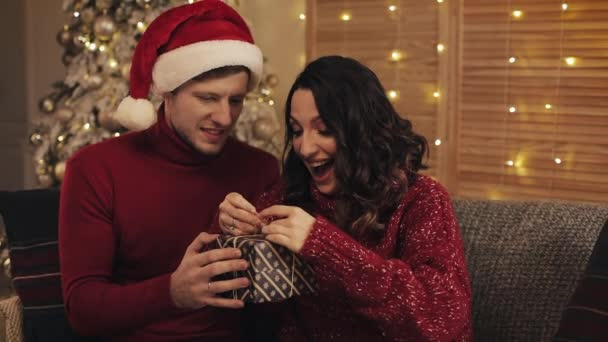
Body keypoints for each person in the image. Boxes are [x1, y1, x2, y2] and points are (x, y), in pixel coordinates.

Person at [58, 1, 279, 341]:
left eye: (235, 100)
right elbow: (82, 310)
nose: (224, 117)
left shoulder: (259, 168)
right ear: (167, 93)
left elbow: (271, 310)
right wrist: (172, 292)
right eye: (207, 98)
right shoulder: (95, 169)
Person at [217, 55, 473, 341]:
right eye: (297, 130)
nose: (305, 147)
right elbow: (246, 308)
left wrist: (325, 246)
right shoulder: (290, 196)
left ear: (362, 130)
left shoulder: (422, 200)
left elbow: (443, 319)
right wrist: (235, 233)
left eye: (324, 130)